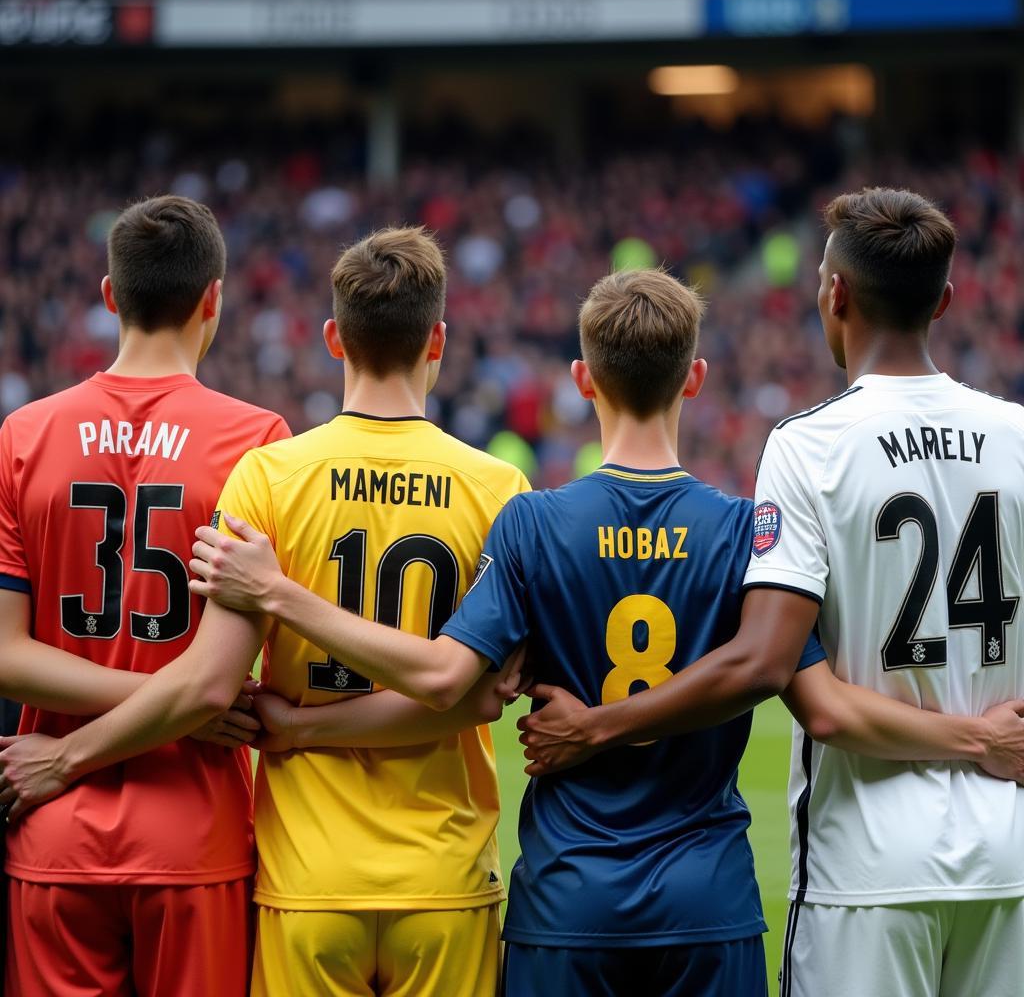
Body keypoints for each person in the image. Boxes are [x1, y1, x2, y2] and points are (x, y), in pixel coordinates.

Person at [156, 266, 1024, 995]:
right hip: (708, 895)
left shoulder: (532, 525)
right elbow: (789, 681)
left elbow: (456, 678)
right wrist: (972, 736)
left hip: (563, 896)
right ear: (695, 378)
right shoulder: (739, 531)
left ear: (581, 378)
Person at [511, 188, 1024, 997]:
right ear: (947, 301)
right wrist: (992, 741)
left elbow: (778, 675)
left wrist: (597, 728)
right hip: (1007, 858)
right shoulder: (1017, 436)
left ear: (835, 294)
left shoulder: (809, 444)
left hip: (869, 864)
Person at [0, 225, 529, 997]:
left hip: (253, 865)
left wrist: (70, 756)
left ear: (332, 338)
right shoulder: (489, 486)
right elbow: (477, 692)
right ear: (438, 340)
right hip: (311, 848)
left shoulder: (266, 469)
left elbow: (196, 681)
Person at [0, 195, 289, 997]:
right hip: (193, 831)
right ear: (214, 299)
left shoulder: (23, 435)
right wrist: (195, 698)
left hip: (51, 825)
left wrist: (76, 747)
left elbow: (5, 656)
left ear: (108, 295)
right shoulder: (257, 441)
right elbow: (211, 685)